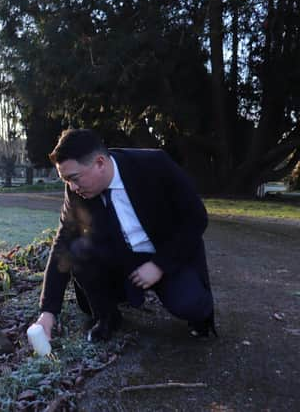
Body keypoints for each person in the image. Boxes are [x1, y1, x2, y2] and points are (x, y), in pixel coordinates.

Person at [31, 129, 215, 343]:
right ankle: (107, 317)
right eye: (66, 181)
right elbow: (63, 243)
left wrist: (160, 265)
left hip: (164, 252)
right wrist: (48, 311)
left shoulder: (154, 165)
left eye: (74, 178)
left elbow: (196, 218)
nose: (72, 187)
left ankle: (196, 310)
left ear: (100, 163)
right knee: (78, 250)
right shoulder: (76, 190)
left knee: (191, 306)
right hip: (119, 257)